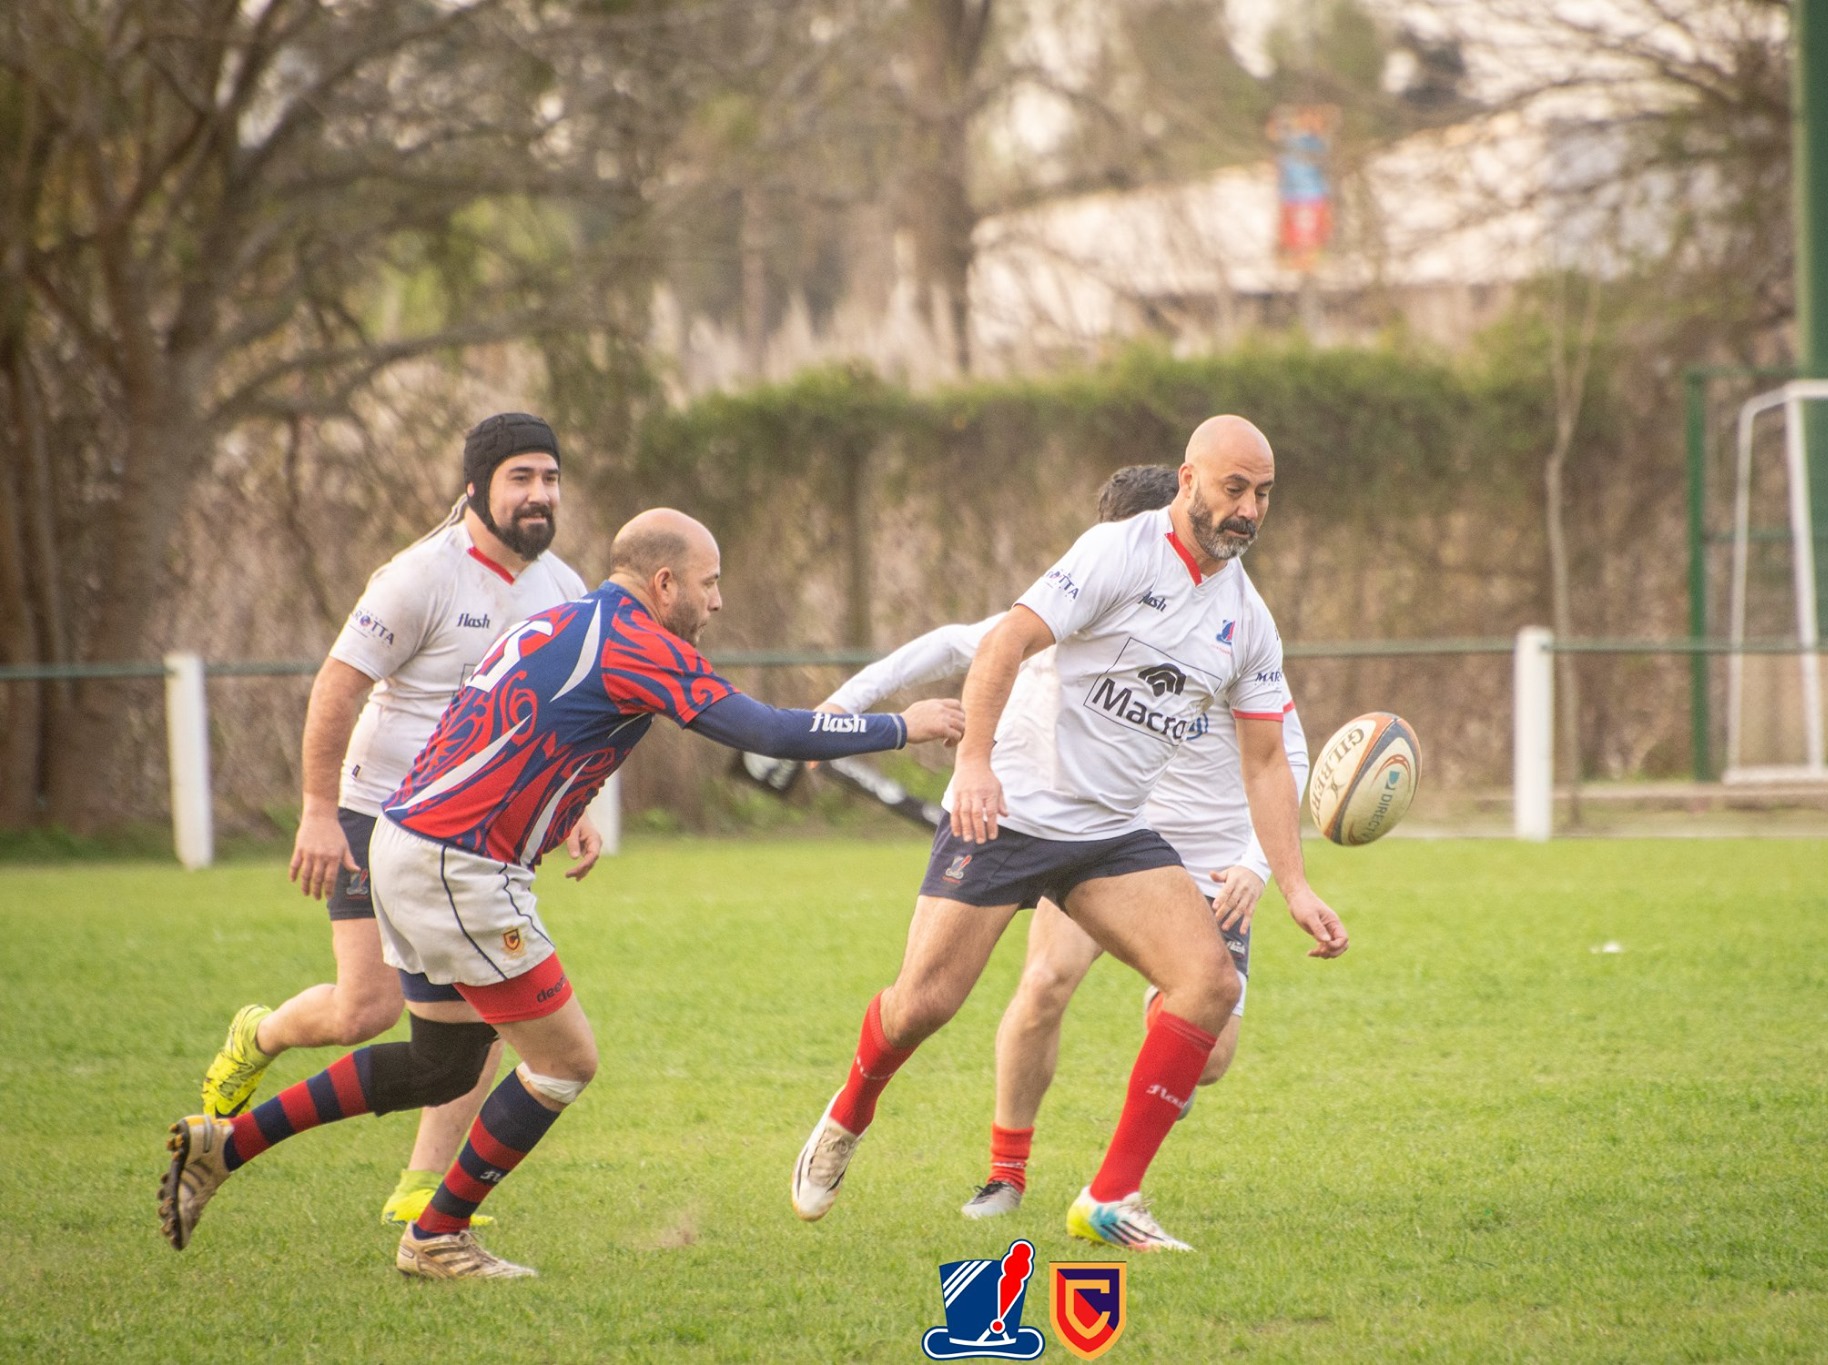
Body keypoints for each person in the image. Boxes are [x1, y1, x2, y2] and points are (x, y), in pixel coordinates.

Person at [159, 509, 966, 1279]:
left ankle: (225, 1145)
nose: (718, 600)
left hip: (409, 843)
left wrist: (562, 807)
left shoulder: (562, 619)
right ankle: (437, 1235)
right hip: (458, 865)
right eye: (709, 582)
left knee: (442, 1064)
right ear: (663, 582)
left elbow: (511, 725)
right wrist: (906, 724)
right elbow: (771, 732)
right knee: (564, 1060)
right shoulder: (636, 641)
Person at [790, 416, 1348, 1253]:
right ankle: (850, 1109)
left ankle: (1110, 1196)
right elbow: (1005, 638)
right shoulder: (1118, 552)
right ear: (1190, 480)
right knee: (922, 1005)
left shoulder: (1247, 618)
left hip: (1113, 834)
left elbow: (1270, 758)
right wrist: (974, 762)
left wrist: (1289, 881)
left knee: (1208, 985)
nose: (1249, 510)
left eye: (1264, 494)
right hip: (1010, 810)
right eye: (1235, 489)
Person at [197, 412, 598, 1226]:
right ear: (476, 487)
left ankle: (420, 1185)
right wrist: (317, 811)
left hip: (478, 837)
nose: (539, 495)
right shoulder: (419, 577)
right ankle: (262, 1034)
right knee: (363, 1012)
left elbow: (561, 717)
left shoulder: (565, 587)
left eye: (550, 478)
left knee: (488, 1010)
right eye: (521, 477)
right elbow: (338, 687)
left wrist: (573, 808)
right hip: (376, 815)